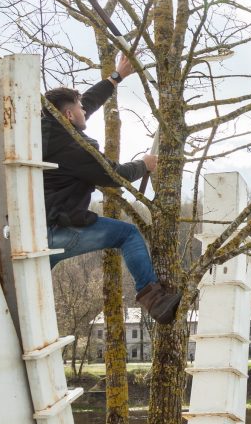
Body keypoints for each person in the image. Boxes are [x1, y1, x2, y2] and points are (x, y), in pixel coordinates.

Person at [42, 52, 180, 324]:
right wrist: (144, 165)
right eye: (79, 109)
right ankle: (154, 299)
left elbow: (86, 105)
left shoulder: (43, 129)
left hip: (36, 228)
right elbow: (113, 175)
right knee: (127, 234)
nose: (85, 111)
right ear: (69, 115)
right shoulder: (75, 148)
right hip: (57, 230)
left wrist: (115, 78)